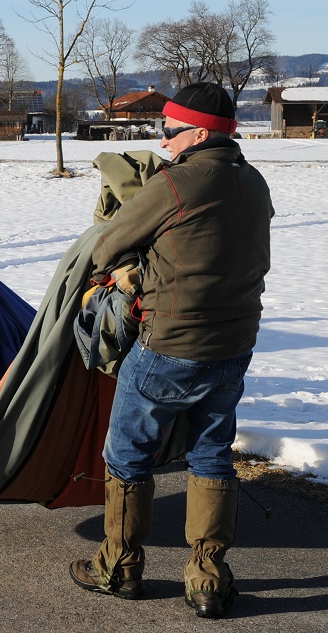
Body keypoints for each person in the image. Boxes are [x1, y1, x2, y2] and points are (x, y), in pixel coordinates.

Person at [68, 82, 274, 619]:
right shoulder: (254, 183)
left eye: (170, 130)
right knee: (211, 454)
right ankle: (207, 579)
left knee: (126, 453)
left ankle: (119, 568)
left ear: (199, 132)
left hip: (169, 345)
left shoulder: (176, 184)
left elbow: (108, 245)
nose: (162, 141)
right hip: (233, 346)